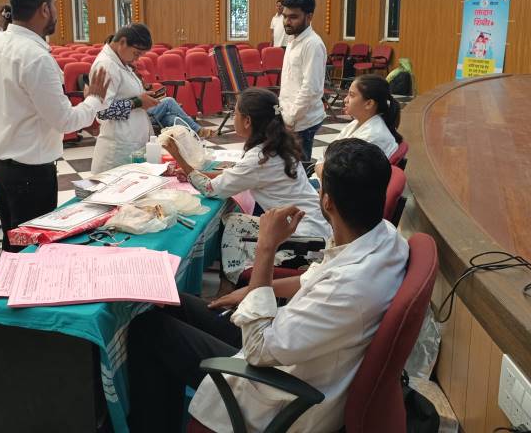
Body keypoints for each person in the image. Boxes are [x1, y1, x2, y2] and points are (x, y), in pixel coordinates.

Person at [128, 138, 408, 433]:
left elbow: (257, 349)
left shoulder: (349, 287)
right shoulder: (385, 237)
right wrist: (256, 289)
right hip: (290, 341)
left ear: (326, 201)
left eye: (320, 185)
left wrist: (266, 248)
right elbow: (312, 278)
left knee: (149, 329)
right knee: (171, 302)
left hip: (277, 384)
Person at [0, 0, 110, 252]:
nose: (56, 12)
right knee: (34, 251)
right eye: (55, 5)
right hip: (30, 175)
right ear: (45, 9)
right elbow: (64, 121)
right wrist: (94, 100)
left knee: (12, 243)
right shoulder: (36, 57)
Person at [162, 88, 331, 288]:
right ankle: (230, 281)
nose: (233, 118)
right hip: (316, 224)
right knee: (234, 220)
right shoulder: (277, 145)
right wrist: (197, 173)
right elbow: (238, 175)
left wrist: (180, 158)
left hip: (303, 238)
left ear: (247, 121)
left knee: (233, 226)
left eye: (235, 114)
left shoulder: (259, 158)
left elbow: (210, 190)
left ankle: (232, 286)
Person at [89, 24, 155, 174]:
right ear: (123, 42)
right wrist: (138, 102)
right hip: (117, 148)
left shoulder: (120, 62)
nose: (137, 58)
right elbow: (102, 112)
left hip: (131, 142)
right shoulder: (106, 65)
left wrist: (144, 97)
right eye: (136, 53)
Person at [315, 74, 402, 180]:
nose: (345, 100)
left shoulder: (372, 137)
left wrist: (320, 166)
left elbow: (335, 178)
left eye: (351, 95)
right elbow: (326, 154)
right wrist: (322, 165)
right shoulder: (357, 122)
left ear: (369, 103)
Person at [278, 0, 326, 161]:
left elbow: (311, 89)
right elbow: (290, 82)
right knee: (288, 165)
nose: (287, 21)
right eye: (285, 16)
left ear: (309, 16)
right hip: (289, 116)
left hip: (302, 121)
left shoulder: (312, 44)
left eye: (293, 17)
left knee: (299, 169)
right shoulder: (293, 39)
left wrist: (290, 118)